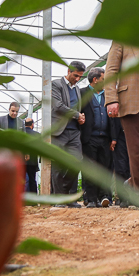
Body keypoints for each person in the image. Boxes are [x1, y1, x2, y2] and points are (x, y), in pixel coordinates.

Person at [104, 42, 139, 199]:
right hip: (130, 99)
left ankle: (132, 183)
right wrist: (111, 99)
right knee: (136, 149)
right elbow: (111, 70)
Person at [50, 61, 86, 206]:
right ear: (69, 71)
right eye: (75, 75)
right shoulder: (55, 84)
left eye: (80, 77)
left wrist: (80, 118)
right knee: (58, 165)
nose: (77, 79)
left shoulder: (76, 89)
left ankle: (66, 196)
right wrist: (77, 115)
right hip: (59, 131)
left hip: (74, 131)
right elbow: (58, 106)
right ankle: (60, 199)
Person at [80, 67, 117, 208]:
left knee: (105, 168)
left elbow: (113, 118)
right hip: (89, 138)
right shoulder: (81, 93)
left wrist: (113, 138)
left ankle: (105, 197)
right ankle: (91, 199)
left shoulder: (108, 94)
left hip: (106, 138)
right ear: (95, 80)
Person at [23, 118, 40, 194]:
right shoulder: (37, 135)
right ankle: (33, 198)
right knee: (32, 179)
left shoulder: (20, 134)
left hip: (22, 161)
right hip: (32, 161)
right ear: (32, 124)